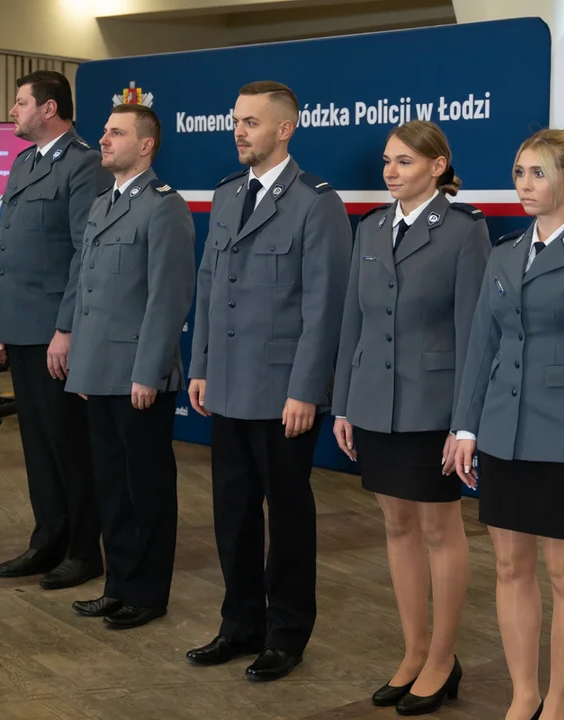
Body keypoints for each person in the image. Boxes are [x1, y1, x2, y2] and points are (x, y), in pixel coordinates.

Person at [453, 129, 564, 720]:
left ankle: (557, 704)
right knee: (510, 568)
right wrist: (465, 427)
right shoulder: (505, 251)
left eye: (538, 173)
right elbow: (482, 347)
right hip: (503, 433)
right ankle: (524, 695)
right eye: (519, 172)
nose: (524, 184)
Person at [185, 81, 352, 681]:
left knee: (287, 519)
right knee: (232, 514)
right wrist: (200, 364)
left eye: (251, 122)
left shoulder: (315, 203)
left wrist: (306, 388)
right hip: (228, 385)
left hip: (284, 393)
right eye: (236, 120)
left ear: (285, 129)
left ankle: (286, 633)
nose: (239, 131)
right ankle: (239, 624)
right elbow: (209, 286)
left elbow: (324, 306)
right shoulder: (227, 193)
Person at [331, 120, 489, 715]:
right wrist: (344, 401)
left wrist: (463, 423)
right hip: (374, 401)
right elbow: (353, 321)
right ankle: (414, 651)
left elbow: (475, 333)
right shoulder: (371, 227)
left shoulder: (464, 231)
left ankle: (443, 659)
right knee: (396, 526)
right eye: (387, 161)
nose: (390, 171)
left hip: (432, 406)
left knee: (439, 530)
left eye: (404, 161)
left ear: (437, 166)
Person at [64, 104, 196, 630]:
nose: (104, 139)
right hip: (99, 370)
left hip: (139, 374)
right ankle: (118, 585)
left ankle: (147, 593)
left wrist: (149, 371)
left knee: (147, 489)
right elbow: (88, 291)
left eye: (116, 133)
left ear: (145, 145)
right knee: (112, 487)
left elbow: (168, 297)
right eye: (104, 131)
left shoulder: (164, 207)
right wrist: (82, 362)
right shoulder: (103, 204)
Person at [0, 70, 112, 589]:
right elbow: (7, 246)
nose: (12, 111)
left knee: (68, 446)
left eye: (20, 103)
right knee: (37, 446)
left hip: (53, 331)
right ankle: (48, 541)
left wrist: (66, 328)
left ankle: (83, 551)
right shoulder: (24, 163)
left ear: (49, 109)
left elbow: (86, 251)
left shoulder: (83, 164)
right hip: (18, 324)